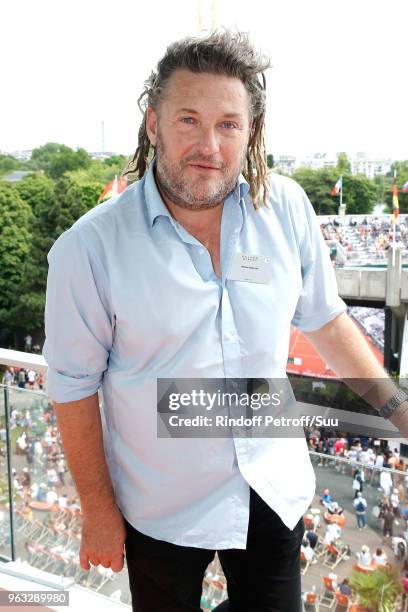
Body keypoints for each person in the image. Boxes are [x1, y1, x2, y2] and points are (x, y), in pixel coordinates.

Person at [43, 30, 408, 612]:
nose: (209, 144)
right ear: (153, 124)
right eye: (188, 119)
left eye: (229, 124)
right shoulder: (88, 249)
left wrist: (398, 410)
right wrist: (98, 511)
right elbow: (72, 386)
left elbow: (327, 320)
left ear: (250, 133)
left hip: (273, 489)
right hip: (159, 505)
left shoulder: (286, 208)